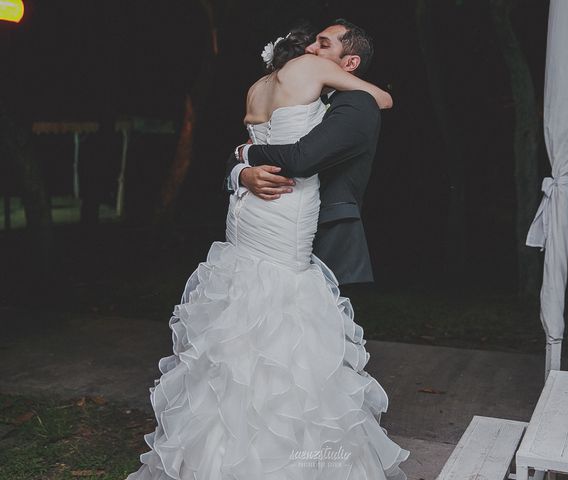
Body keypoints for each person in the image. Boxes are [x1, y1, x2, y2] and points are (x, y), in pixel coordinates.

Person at [126, 21, 409, 480]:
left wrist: (242, 162)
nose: (317, 47)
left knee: (241, 315)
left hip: (248, 214)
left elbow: (257, 144)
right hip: (285, 206)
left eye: (326, 43)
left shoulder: (258, 87)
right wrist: (243, 166)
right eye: (314, 42)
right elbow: (384, 99)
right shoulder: (314, 72)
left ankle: (221, 448)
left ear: (348, 59)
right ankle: (282, 447)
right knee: (284, 312)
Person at [227, 19, 384, 286]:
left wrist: (246, 154)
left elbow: (301, 158)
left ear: (350, 64)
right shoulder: (296, 89)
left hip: (317, 224)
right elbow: (245, 152)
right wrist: (241, 173)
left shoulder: (358, 103)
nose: (311, 49)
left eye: (323, 45)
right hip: (266, 204)